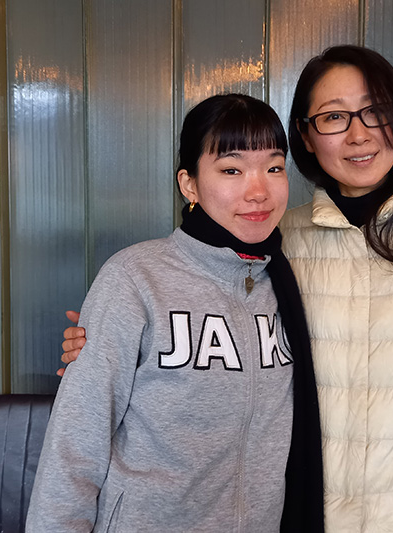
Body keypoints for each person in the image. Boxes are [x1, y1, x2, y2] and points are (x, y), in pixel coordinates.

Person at [62, 46, 393, 532]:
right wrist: (108, 347)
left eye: (376, 111)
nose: (359, 134)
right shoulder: (276, 239)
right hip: (314, 521)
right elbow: (204, 325)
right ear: (305, 135)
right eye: (333, 117)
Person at [28, 94, 324, 533]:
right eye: (231, 170)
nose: (258, 191)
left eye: (274, 168)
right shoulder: (135, 277)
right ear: (189, 185)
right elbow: (76, 440)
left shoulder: (287, 281)